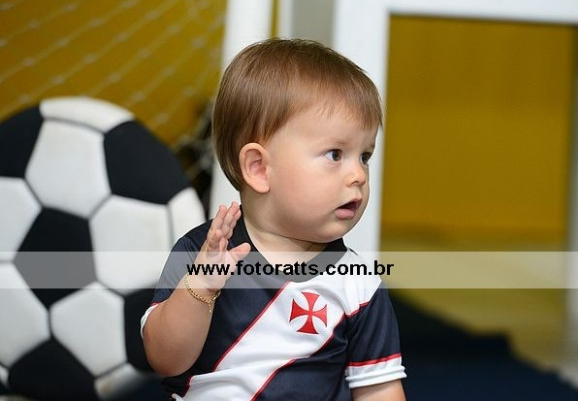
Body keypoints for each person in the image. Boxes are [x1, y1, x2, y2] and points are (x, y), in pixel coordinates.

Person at [142, 38, 406, 400]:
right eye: (335, 154)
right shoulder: (201, 253)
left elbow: (379, 388)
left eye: (365, 156)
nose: (358, 175)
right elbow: (164, 359)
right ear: (259, 168)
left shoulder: (359, 284)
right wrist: (199, 288)